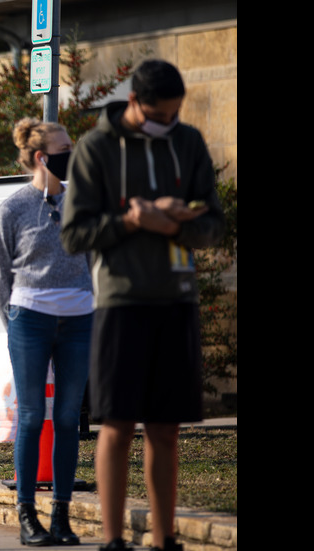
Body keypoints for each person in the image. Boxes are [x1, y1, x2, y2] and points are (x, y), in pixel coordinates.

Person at [60, 60, 224, 551]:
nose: (167, 122)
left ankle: (165, 538)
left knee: (166, 428)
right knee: (117, 423)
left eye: (175, 114)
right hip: (120, 303)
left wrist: (172, 223)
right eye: (159, 114)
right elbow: (74, 235)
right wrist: (133, 223)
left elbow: (214, 224)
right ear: (134, 102)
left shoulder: (188, 142)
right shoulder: (96, 148)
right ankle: (114, 539)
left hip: (176, 299)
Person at [0, 118, 94, 546]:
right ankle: (28, 516)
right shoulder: (13, 208)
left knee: (69, 417)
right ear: (41, 156)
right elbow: (0, 276)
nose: (73, 152)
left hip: (79, 321)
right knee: (32, 416)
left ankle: (63, 517)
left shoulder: (84, 202)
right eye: (65, 147)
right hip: (30, 320)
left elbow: (97, 260)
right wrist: (14, 323)